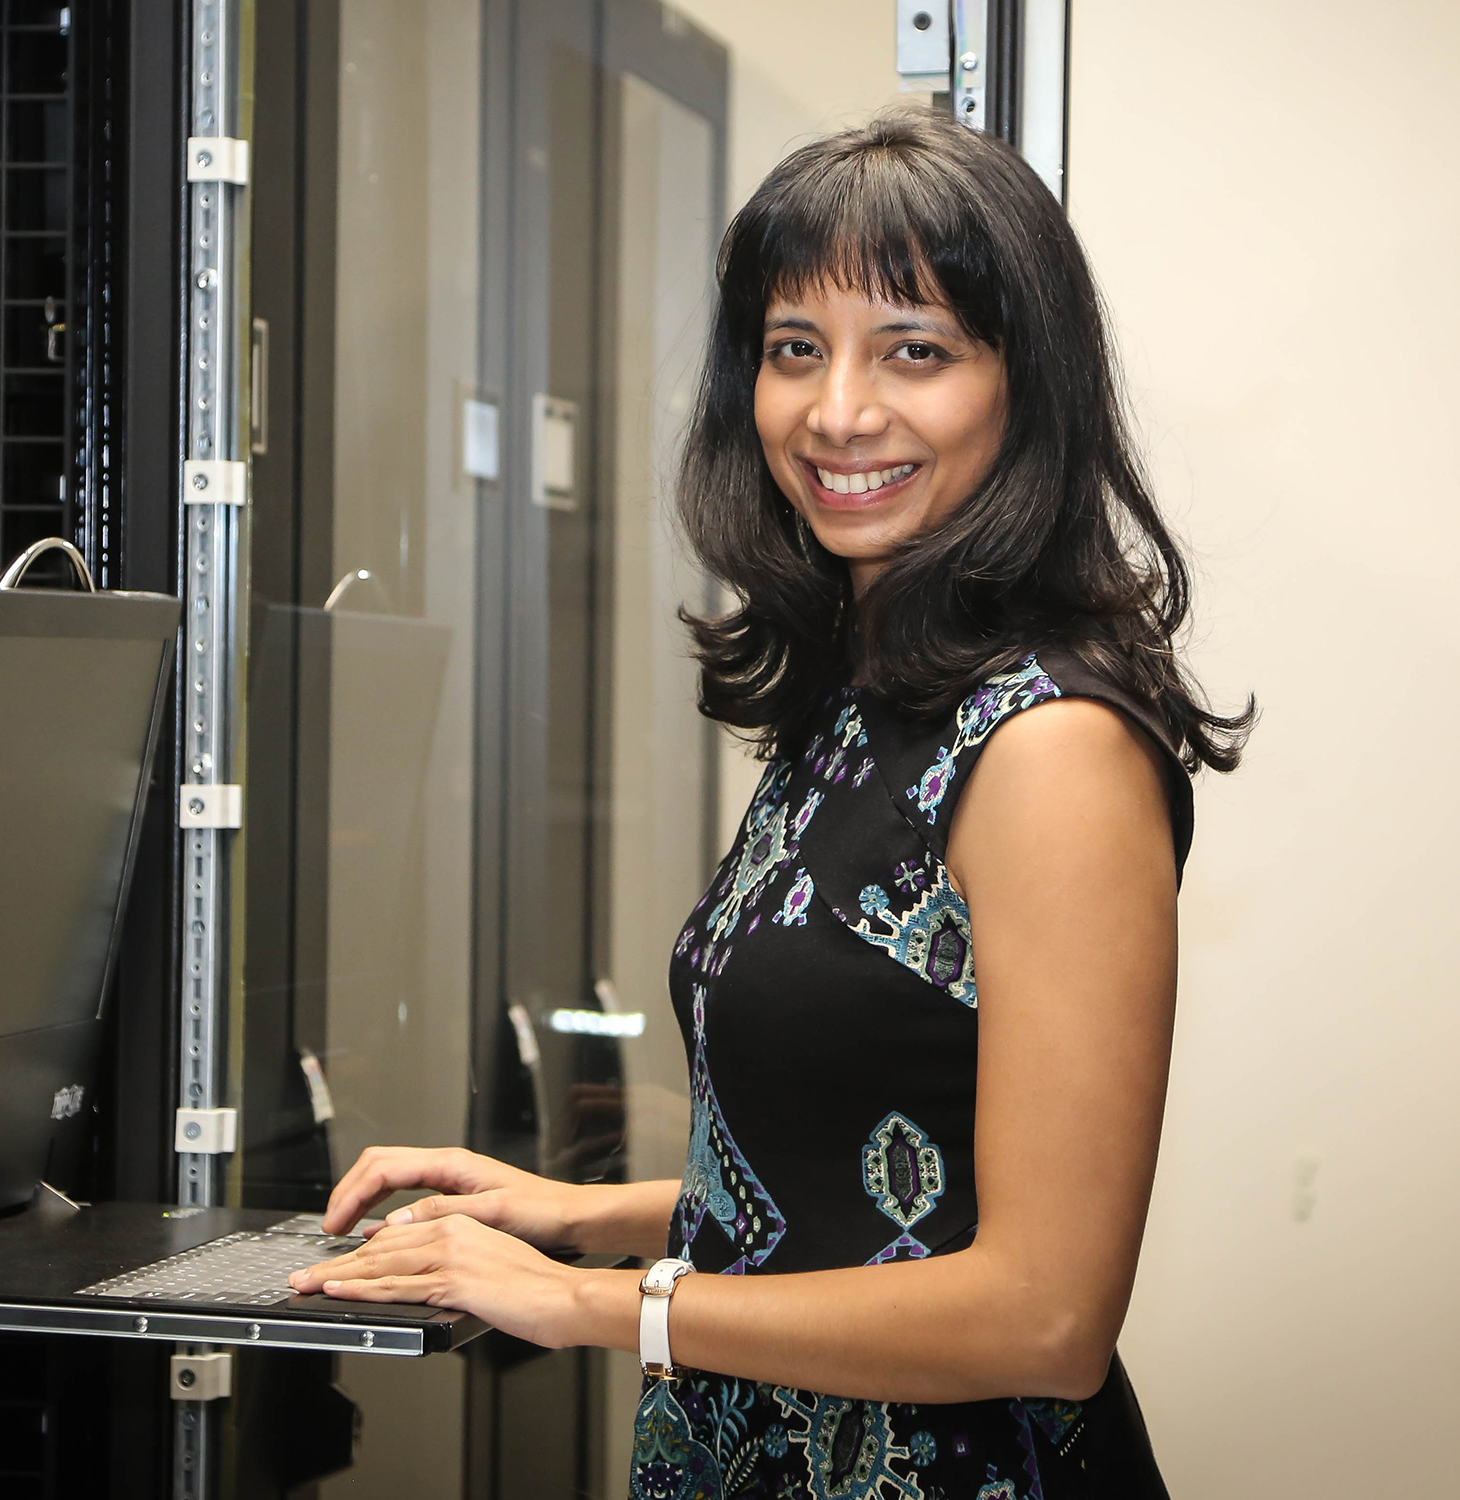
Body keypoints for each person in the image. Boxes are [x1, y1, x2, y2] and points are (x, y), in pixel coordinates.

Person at [290, 112, 1250, 1499]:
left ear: (1022, 386)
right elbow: (873, 1176)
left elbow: (1045, 1316)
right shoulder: (870, 702)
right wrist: (576, 1215)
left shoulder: (1050, 745)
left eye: (912, 349)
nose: (838, 411)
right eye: (796, 349)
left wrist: (598, 1303)